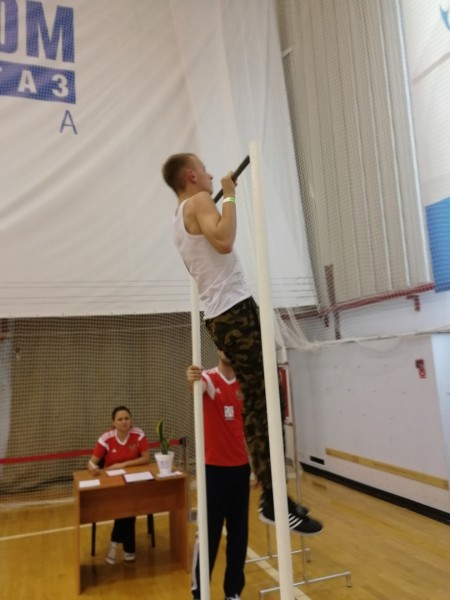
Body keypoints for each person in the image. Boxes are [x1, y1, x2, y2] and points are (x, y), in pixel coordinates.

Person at [162, 153, 322, 535]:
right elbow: (224, 241)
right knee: (265, 399)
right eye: (205, 170)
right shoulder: (200, 201)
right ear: (191, 175)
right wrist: (230, 195)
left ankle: (272, 494)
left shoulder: (177, 221)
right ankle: (273, 498)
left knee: (261, 396)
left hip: (222, 315)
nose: (211, 175)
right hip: (234, 311)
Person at [187, 351, 250, 600]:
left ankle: (233, 592)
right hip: (213, 471)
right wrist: (192, 378)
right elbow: (197, 386)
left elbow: (247, 428)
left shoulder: (244, 384)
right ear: (218, 350)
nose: (229, 350)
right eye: (225, 346)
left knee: (239, 535)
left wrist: (255, 466)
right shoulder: (209, 378)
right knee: (209, 533)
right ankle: (199, 592)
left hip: (240, 470)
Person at [87, 405, 151, 564]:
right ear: (113, 423)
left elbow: (146, 458)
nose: (124, 422)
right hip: (113, 485)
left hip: (134, 482)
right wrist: (93, 468)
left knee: (130, 503)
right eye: (120, 419)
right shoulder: (106, 438)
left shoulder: (138, 434)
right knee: (128, 506)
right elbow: (91, 462)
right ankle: (128, 549)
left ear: (131, 420)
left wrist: (123, 464)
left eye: (127, 418)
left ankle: (114, 543)